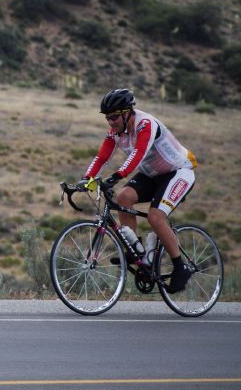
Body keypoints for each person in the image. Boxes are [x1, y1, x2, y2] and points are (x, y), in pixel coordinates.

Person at [79, 88, 198, 293]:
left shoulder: (146, 124)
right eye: (107, 118)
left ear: (127, 113)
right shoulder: (115, 132)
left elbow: (139, 153)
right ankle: (137, 252)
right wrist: (85, 180)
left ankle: (181, 267)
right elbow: (101, 158)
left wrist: (117, 176)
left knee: (155, 216)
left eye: (114, 117)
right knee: (123, 198)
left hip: (178, 171)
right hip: (152, 174)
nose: (110, 122)